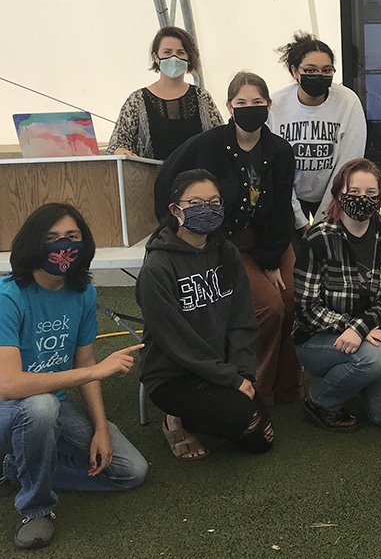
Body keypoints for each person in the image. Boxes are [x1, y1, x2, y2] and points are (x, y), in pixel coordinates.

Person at [0, 203, 147, 550]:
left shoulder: (83, 293)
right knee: (41, 407)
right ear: (33, 243)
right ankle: (36, 508)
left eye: (71, 237)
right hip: (12, 408)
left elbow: (85, 361)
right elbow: (10, 386)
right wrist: (93, 371)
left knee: (130, 471)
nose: (62, 246)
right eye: (51, 238)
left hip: (55, 405)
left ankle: (17, 467)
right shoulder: (9, 296)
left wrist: (100, 428)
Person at [155, 71, 300, 407]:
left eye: (257, 103)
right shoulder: (207, 145)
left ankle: (288, 387)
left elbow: (281, 208)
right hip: (221, 243)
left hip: (268, 240)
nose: (250, 108)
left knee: (294, 299)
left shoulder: (280, 151)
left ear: (268, 105)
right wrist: (177, 224)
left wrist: (271, 260)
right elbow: (166, 179)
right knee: (268, 309)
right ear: (229, 106)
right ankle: (254, 391)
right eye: (242, 103)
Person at [138, 169, 274, 461]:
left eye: (214, 203)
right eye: (196, 203)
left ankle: (208, 412)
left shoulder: (227, 252)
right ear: (175, 210)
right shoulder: (158, 267)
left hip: (220, 368)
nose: (207, 210)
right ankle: (175, 419)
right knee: (243, 421)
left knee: (261, 439)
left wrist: (242, 372)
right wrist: (230, 379)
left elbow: (242, 320)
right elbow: (177, 341)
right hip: (172, 374)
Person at [294, 158, 381, 431]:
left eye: (371, 194)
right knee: (378, 359)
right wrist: (354, 328)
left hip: (375, 336)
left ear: (380, 197)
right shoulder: (318, 238)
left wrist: (362, 328)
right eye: (354, 193)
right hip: (320, 339)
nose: (362, 199)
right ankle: (320, 401)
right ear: (338, 194)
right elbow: (306, 308)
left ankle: (357, 374)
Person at [268, 32, 366, 232]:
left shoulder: (348, 102)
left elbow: (348, 164)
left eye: (327, 70)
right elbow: (276, 169)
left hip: (336, 196)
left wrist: (323, 219)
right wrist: (301, 222)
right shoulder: (276, 105)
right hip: (287, 196)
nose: (319, 76)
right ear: (295, 71)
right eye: (310, 70)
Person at [107, 26, 224, 159]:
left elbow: (220, 139)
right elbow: (116, 146)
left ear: (189, 58)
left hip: (197, 178)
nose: (174, 57)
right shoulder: (137, 100)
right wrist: (120, 151)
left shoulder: (202, 98)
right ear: (156, 57)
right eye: (167, 52)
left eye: (180, 52)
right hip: (152, 179)